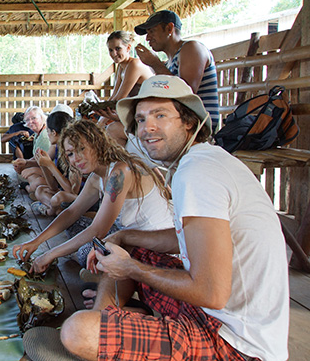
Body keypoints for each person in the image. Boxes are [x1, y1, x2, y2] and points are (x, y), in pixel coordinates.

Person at [28, 76, 289, 361]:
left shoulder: (198, 172)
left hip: (236, 344)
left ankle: (106, 330)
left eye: (160, 115)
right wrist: (124, 237)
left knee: (76, 332)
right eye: (140, 120)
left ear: (189, 121)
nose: (146, 128)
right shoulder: (200, 162)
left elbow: (211, 292)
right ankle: (110, 318)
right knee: (122, 248)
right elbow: (183, 238)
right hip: (211, 314)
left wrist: (132, 269)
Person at [13, 119, 173, 273]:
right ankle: (80, 260)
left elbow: (98, 230)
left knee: (87, 251)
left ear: (97, 144)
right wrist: (35, 242)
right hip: (128, 235)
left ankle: (86, 265)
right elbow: (72, 212)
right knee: (71, 222)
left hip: (156, 245)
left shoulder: (120, 172)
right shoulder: (96, 177)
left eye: (82, 149)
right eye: (70, 154)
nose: (76, 159)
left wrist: (49, 254)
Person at [134, 10, 220, 131]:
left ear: (169, 28)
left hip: (198, 125)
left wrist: (155, 64)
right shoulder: (169, 62)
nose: (147, 38)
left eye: (152, 31)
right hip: (178, 121)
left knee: (118, 130)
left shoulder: (191, 48)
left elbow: (186, 94)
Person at [96, 31, 154, 146]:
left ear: (128, 48)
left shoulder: (134, 65)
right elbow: (113, 96)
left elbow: (119, 99)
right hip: (137, 114)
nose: (114, 53)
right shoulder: (121, 67)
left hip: (149, 115)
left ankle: (121, 161)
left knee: (111, 129)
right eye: (111, 50)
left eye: (118, 49)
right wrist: (99, 121)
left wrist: (100, 122)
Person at [29, 111, 81, 216]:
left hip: (81, 197)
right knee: (40, 190)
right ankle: (57, 211)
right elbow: (53, 187)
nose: (47, 135)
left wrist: (50, 165)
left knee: (59, 197)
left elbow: (72, 191)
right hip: (66, 196)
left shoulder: (72, 152)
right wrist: (42, 164)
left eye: (47, 131)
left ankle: (52, 211)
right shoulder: (58, 147)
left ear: (54, 132)